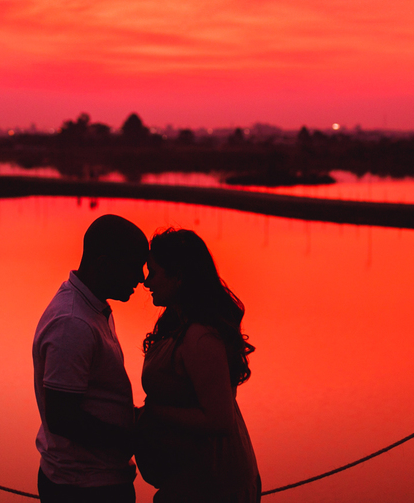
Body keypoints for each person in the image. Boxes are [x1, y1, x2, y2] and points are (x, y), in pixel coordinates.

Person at [136, 228, 260, 503]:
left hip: (215, 484)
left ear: (178, 276)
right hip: (189, 477)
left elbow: (219, 420)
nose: (146, 282)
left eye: (153, 272)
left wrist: (154, 413)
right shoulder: (175, 323)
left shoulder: (200, 337)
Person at [33, 214, 150, 503]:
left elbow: (93, 400)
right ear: (104, 265)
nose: (141, 278)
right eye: (134, 267)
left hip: (94, 480)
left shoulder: (91, 310)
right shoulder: (73, 324)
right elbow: (62, 418)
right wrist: (133, 440)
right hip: (83, 488)